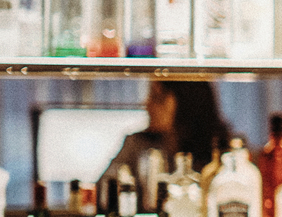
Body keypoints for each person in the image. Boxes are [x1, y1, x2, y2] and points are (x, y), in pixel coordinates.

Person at [99, 81, 230, 194]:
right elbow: (103, 189)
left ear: (187, 103)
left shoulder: (217, 150)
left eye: (157, 98)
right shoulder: (136, 144)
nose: (147, 105)